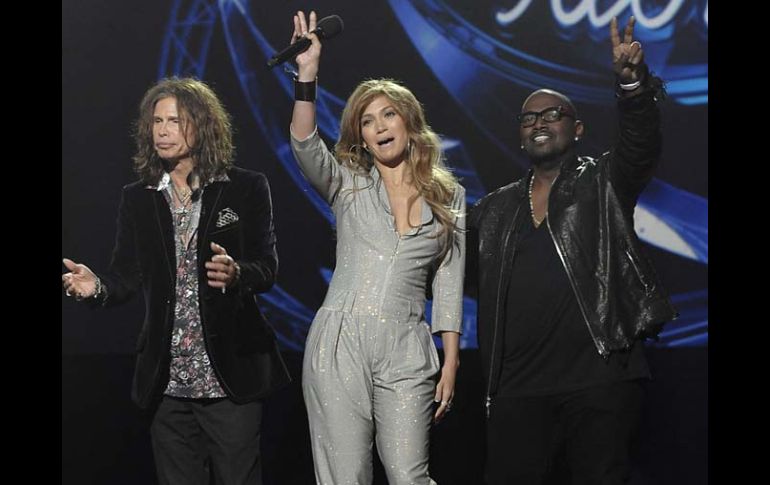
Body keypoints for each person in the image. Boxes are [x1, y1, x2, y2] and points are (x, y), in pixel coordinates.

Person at [467, 17, 678, 484]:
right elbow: (451, 272)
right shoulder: (493, 209)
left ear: (577, 128)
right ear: (520, 134)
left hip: (599, 379)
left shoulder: (604, 182)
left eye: (552, 115)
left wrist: (632, 85)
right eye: (529, 118)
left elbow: (641, 142)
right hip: (517, 388)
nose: (539, 123)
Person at [62, 77, 290, 485]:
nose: (162, 131)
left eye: (175, 121)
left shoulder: (245, 187)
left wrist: (237, 272)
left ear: (202, 125)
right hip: (167, 384)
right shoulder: (139, 197)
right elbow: (126, 275)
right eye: (157, 121)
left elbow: (266, 267)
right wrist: (97, 287)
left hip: (230, 377)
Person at [287, 10, 465, 485]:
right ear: (362, 138)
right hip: (340, 341)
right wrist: (307, 76)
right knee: (345, 476)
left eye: (388, 115)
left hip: (408, 346)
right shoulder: (348, 184)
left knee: (409, 475)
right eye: (367, 121)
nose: (380, 126)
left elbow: (449, 282)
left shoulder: (449, 196)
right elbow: (305, 144)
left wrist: (451, 361)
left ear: (408, 122)